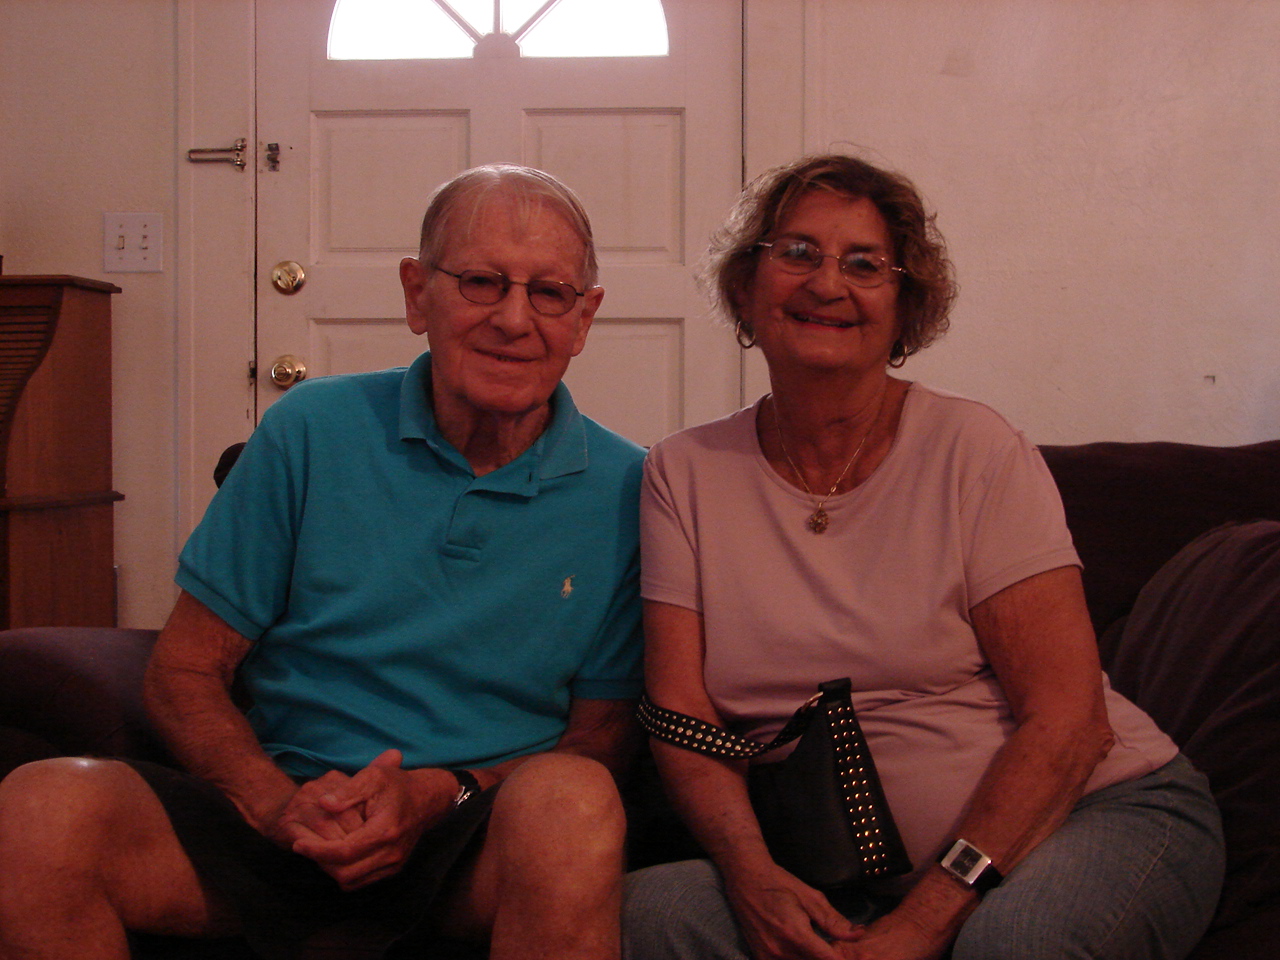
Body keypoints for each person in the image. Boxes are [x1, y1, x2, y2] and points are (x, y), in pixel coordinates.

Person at [0, 164, 646, 960]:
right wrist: (277, 805)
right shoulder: (311, 430)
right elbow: (185, 671)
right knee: (40, 810)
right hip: (276, 819)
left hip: (473, 834)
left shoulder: (628, 490)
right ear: (417, 294)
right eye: (481, 282)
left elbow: (597, 742)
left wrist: (438, 792)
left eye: (549, 292)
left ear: (584, 319)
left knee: (573, 800)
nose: (514, 319)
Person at [622, 154, 1224, 960]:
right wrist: (751, 874)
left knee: (1013, 944)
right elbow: (682, 714)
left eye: (864, 264)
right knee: (649, 912)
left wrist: (924, 921)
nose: (827, 284)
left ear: (905, 306)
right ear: (744, 287)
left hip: (1089, 817)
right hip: (842, 869)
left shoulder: (975, 451)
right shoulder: (682, 473)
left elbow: (1070, 721)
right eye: (797, 252)